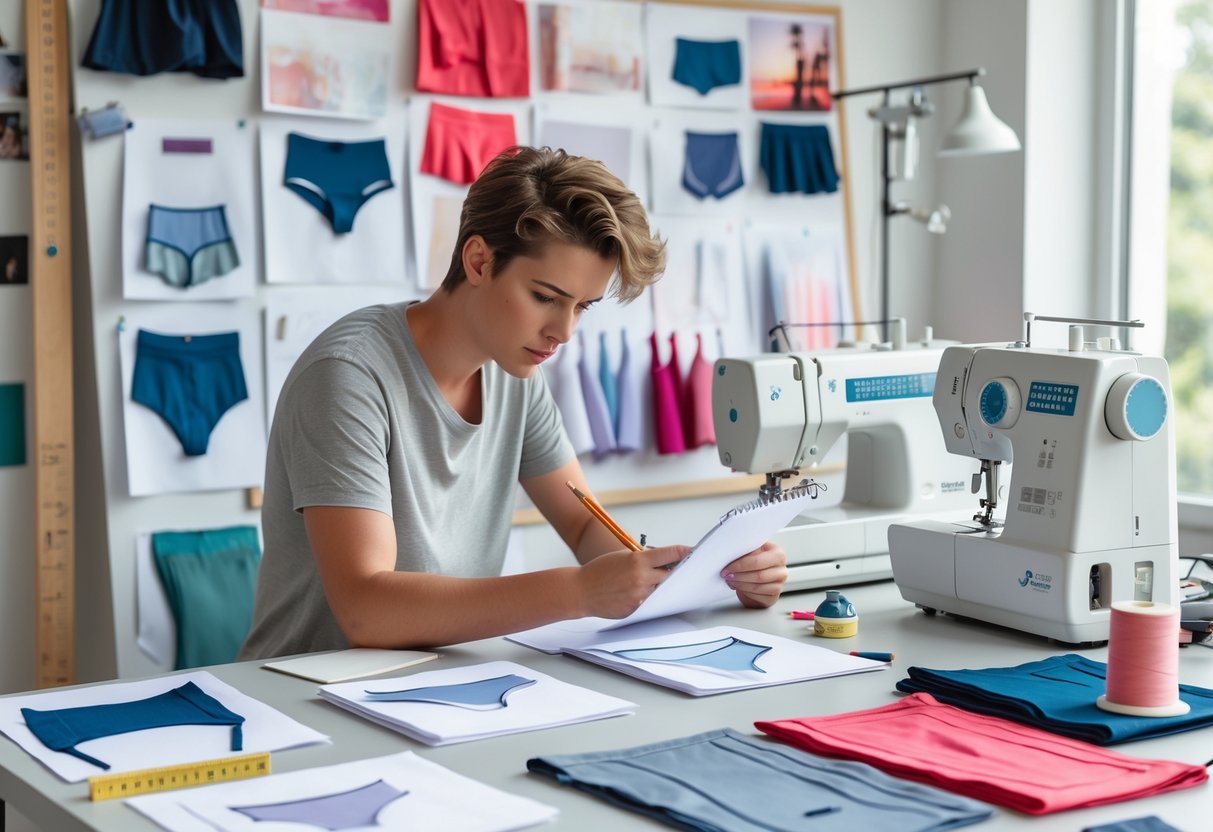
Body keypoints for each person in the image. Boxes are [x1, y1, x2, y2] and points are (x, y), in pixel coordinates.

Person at [239, 146, 788, 659]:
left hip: (437, 681)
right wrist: (578, 591)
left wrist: (707, 576)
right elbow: (366, 610)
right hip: (311, 696)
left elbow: (582, 528)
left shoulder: (515, 372)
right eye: (546, 298)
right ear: (478, 260)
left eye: (582, 307)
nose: (563, 331)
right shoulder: (348, 375)